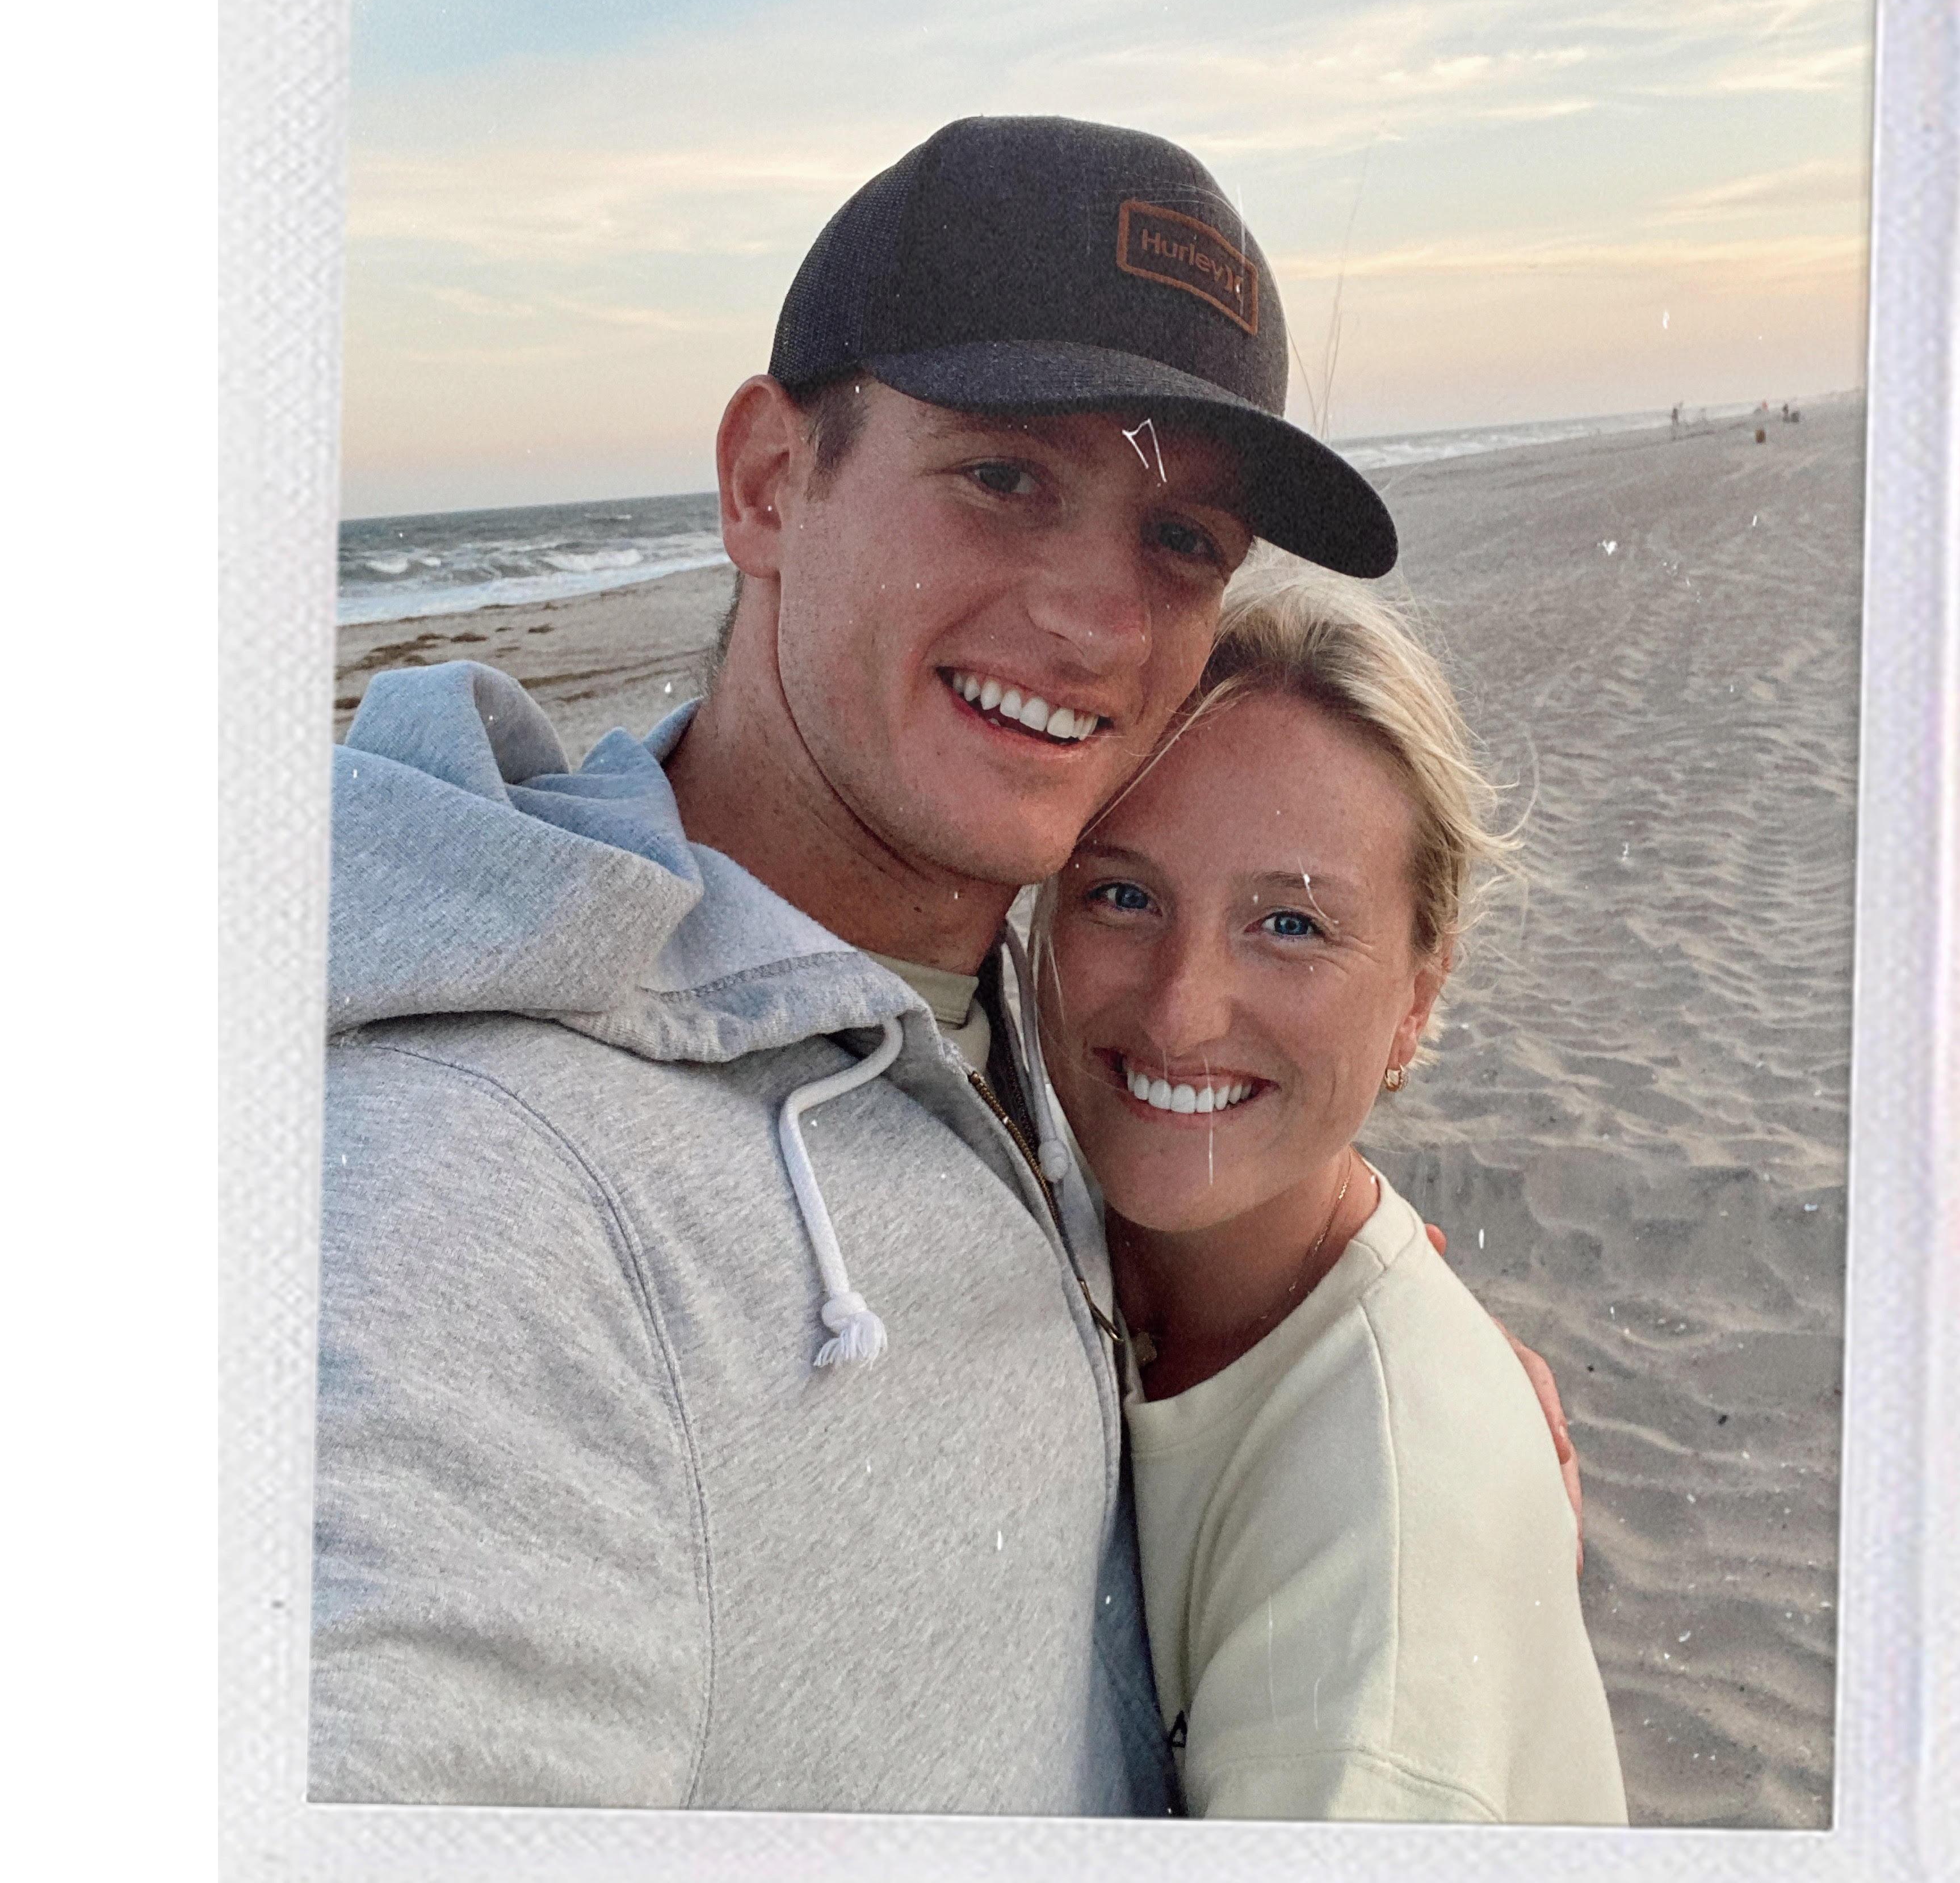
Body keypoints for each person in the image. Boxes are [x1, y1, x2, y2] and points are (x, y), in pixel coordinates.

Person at [311, 114, 1576, 1813]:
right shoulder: (479, 1203)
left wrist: (1389, 1360)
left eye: (1181, 542)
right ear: (771, 480)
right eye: (1004, 478)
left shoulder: (999, 1002)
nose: (1099, 623)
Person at [1033, 564, 1626, 1823]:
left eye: (1292, 926)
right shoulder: (1099, 1234)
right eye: (1123, 896)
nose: (1182, 1010)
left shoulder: (1376, 1612)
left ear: (1418, 995)